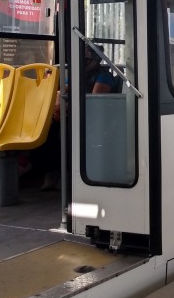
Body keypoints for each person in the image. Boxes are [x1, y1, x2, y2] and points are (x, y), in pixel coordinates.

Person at [37, 43, 116, 190]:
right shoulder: (77, 75)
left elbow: (93, 102)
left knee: (67, 133)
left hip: (93, 117)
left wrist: (66, 109)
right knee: (46, 132)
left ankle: (67, 174)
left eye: (86, 58)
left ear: (95, 60)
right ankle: (52, 171)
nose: (82, 61)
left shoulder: (103, 77)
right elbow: (62, 92)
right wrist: (58, 109)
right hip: (72, 113)